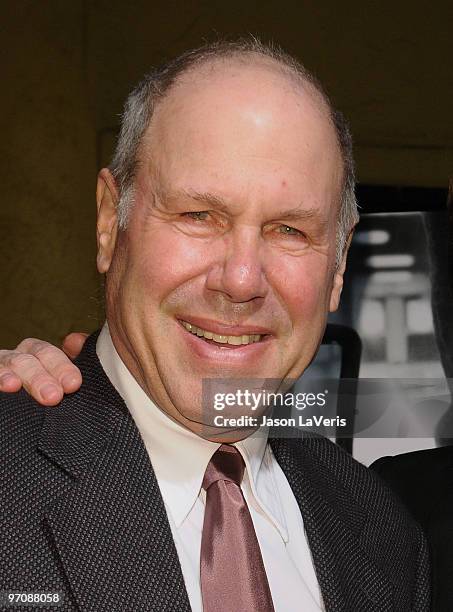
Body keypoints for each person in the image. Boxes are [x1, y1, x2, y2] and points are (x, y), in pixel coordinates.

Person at [0, 39, 430, 611]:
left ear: (339, 265)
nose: (242, 278)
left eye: (290, 230)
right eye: (198, 216)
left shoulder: (384, 536)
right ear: (110, 220)